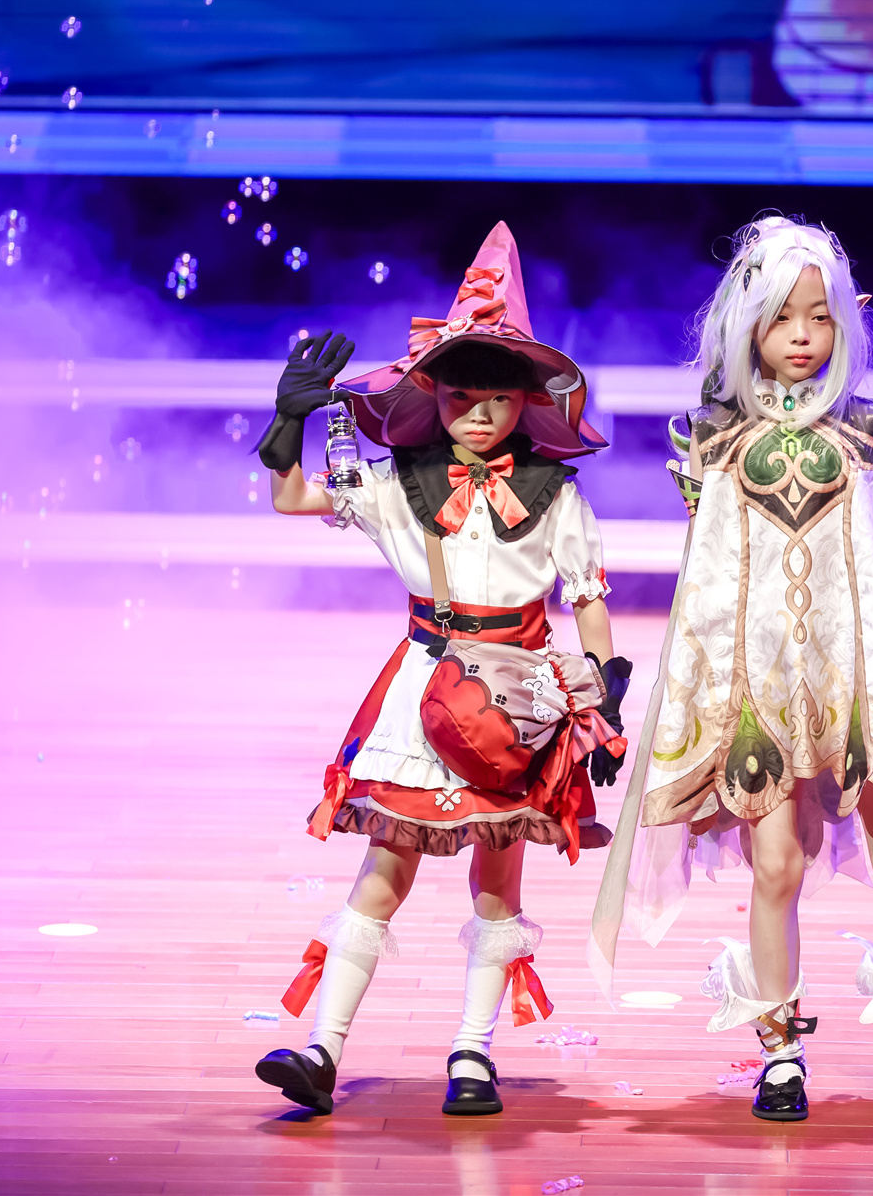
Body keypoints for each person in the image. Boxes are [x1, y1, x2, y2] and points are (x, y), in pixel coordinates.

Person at [251, 223, 632, 1117]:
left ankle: (473, 1052)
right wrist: (288, 419)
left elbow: (588, 597)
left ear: (527, 402)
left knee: (498, 875)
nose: (481, 413)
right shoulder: (397, 483)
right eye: (464, 394)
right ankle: (322, 1050)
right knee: (386, 863)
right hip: (423, 691)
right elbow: (294, 496)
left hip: (521, 695)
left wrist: (604, 690)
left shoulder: (557, 495)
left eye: (499, 397)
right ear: (435, 394)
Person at [626, 215, 873, 1123]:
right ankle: (780, 1052)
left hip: (852, 678)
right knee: (777, 865)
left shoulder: (867, 427)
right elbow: (707, 570)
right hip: (760, 680)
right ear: (748, 324)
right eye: (783, 317)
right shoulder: (713, 433)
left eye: (821, 317)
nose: (803, 336)